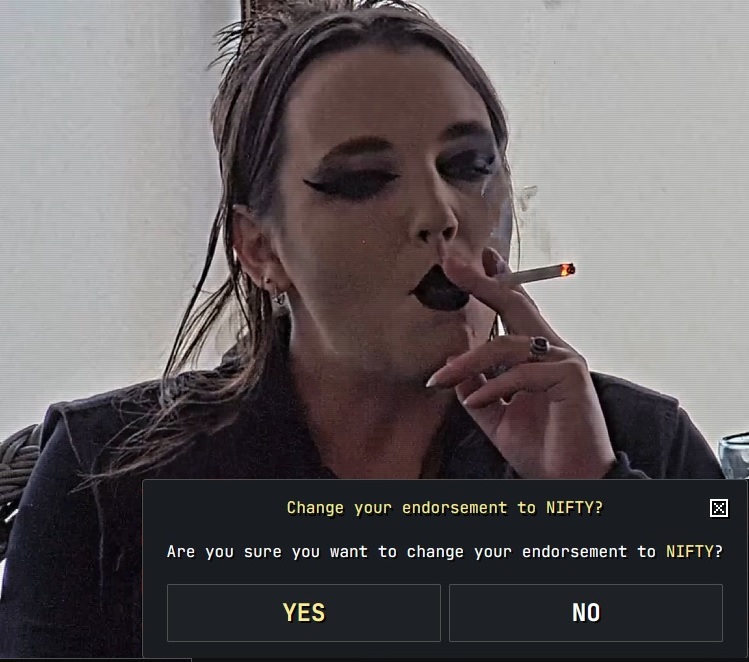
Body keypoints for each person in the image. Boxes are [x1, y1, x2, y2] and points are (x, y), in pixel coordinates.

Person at [0, 0, 724, 657]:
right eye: (363, 179)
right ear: (260, 248)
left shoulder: (639, 448)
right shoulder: (108, 477)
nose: (438, 214)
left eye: (468, 165)